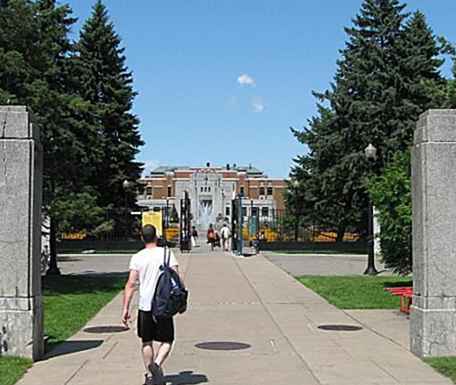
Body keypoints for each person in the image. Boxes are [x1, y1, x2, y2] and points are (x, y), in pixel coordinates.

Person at [122, 225, 179, 385]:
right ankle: (157, 364)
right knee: (167, 340)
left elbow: (131, 284)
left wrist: (126, 308)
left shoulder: (137, 257)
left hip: (145, 305)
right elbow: (177, 278)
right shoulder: (167, 254)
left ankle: (149, 374)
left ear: (142, 238)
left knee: (146, 341)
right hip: (163, 305)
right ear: (156, 237)